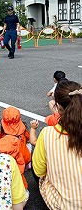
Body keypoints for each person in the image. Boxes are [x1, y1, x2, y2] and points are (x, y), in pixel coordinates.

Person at [32, 80, 82, 209]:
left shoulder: (48, 134)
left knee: (37, 157)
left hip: (65, 205)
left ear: (59, 107)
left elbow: (39, 171)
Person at [0, 106, 31, 189]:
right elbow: (29, 139)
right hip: (24, 158)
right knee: (29, 145)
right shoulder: (23, 131)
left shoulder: (3, 136)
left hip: (9, 163)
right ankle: (27, 166)